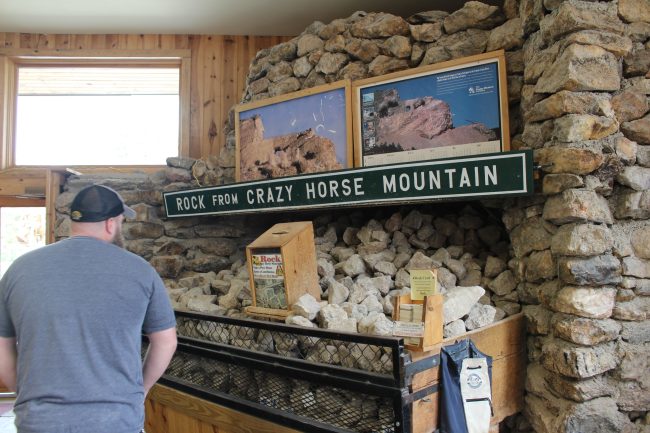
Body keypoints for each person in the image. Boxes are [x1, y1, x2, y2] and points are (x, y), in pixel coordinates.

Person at [0, 184, 177, 433]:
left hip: (40, 422)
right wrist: (139, 392)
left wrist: (28, 394)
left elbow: (1, 346)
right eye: (121, 222)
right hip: (116, 421)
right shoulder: (141, 271)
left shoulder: (18, 270)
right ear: (110, 223)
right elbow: (166, 342)